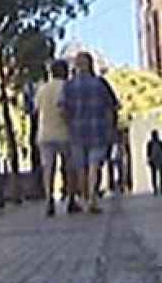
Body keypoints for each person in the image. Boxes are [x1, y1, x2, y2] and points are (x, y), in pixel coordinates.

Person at [61, 52, 118, 214]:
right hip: (98, 129)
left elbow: (63, 109)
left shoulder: (69, 86)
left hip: (77, 130)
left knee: (80, 167)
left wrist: (70, 123)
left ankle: (85, 198)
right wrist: (110, 127)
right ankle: (93, 196)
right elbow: (110, 108)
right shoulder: (100, 84)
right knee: (94, 165)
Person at [34, 59, 73, 215]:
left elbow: (36, 110)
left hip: (44, 133)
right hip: (64, 132)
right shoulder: (66, 87)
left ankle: (49, 199)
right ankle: (70, 198)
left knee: (48, 169)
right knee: (67, 167)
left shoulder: (42, 89)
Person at [146, 130, 162, 195]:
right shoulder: (150, 144)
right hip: (153, 160)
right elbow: (148, 153)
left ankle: (161, 187)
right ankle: (156, 188)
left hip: (160, 159)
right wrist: (149, 160)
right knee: (154, 175)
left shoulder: (159, 143)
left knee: (160, 175)